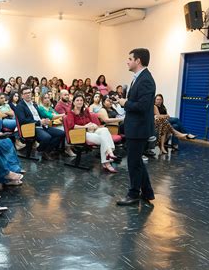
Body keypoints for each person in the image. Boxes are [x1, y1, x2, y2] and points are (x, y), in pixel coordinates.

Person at [117, 48, 156, 206]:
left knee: (133, 163)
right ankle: (147, 192)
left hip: (138, 129)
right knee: (137, 161)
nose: (127, 61)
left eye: (129, 58)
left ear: (138, 60)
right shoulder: (139, 78)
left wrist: (125, 103)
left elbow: (143, 106)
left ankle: (133, 194)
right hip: (135, 127)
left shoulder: (146, 79)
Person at [65, 94, 118, 173]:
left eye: (81, 100)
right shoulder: (70, 112)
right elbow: (72, 126)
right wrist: (85, 127)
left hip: (90, 130)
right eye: (77, 100)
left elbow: (90, 121)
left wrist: (94, 125)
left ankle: (108, 154)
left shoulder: (85, 110)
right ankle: (107, 160)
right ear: (73, 102)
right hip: (79, 133)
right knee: (102, 138)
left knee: (105, 130)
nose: (80, 102)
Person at [15, 87, 64, 161]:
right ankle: (41, 150)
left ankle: (45, 151)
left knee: (61, 133)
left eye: (29, 93)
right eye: (26, 93)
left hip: (41, 125)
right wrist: (39, 122)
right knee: (47, 137)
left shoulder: (34, 104)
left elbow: (39, 116)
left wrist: (44, 120)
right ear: (22, 95)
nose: (28, 95)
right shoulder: (20, 106)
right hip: (31, 128)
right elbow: (23, 121)